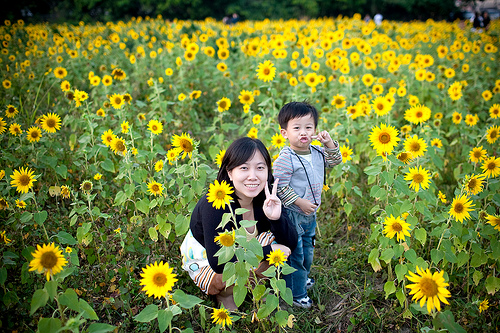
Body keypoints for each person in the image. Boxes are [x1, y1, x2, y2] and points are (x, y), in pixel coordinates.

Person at [181, 137, 298, 310]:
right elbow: (219, 262)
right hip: (208, 257)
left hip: (243, 249)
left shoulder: (267, 194)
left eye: (260, 168)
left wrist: (276, 218)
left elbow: (290, 243)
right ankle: (225, 294)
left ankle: (254, 286)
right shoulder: (214, 203)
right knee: (265, 254)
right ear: (230, 172)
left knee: (276, 243)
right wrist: (268, 251)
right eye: (244, 168)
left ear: (267, 171)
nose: (253, 176)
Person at [273, 101, 342, 309]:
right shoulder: (286, 158)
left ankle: (301, 279)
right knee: (296, 253)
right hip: (293, 214)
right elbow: (278, 186)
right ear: (285, 133)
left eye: (308, 127)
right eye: (297, 128)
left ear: (315, 130)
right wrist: (299, 201)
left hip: (310, 214)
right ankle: (296, 292)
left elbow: (335, 160)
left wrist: (328, 143)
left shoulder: (317, 151)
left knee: (308, 250)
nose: (303, 132)